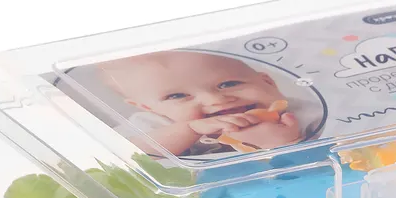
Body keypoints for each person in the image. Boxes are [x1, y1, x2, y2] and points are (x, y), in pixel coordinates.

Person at [96, 50, 319, 155]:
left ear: (268, 83)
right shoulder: (151, 126)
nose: (215, 100)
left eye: (229, 83)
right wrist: (189, 130)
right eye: (177, 96)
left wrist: (284, 144)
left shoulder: (305, 116)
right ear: (150, 108)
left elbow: (329, 169)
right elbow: (122, 157)